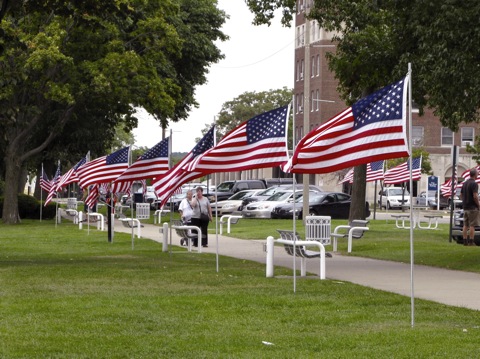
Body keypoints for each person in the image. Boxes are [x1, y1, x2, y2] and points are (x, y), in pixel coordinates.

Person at [460, 168, 480, 246]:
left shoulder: (464, 183)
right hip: (473, 208)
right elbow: (475, 196)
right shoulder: (474, 184)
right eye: (477, 173)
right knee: (472, 225)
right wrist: (478, 205)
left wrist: (464, 201)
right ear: (475, 175)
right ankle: (471, 241)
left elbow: (461, 195)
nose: (478, 175)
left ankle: (465, 241)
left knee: (465, 225)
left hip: (465, 207)